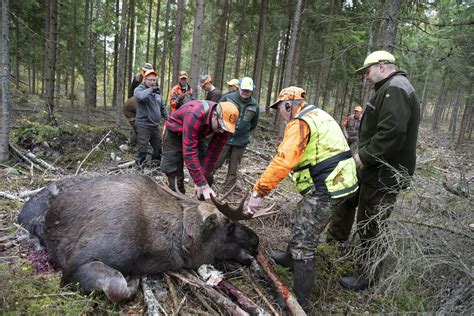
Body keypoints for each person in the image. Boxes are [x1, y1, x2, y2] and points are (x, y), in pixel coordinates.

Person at [246, 86, 359, 309]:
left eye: (280, 108)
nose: (280, 113)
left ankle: (298, 300)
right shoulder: (318, 113)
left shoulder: (300, 123)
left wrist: (258, 192)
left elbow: (283, 161)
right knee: (301, 214)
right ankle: (290, 258)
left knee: (305, 242)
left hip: (327, 185)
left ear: (289, 104)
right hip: (340, 180)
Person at [332, 50, 420, 291]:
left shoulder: (396, 88)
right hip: (375, 170)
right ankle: (335, 243)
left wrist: (364, 156)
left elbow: (392, 133)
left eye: (368, 70)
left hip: (384, 173)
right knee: (348, 202)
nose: (366, 76)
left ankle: (368, 276)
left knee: (372, 224)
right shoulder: (389, 88)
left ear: (382, 66)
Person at [160, 100, 239, 199]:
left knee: (207, 176)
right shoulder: (195, 114)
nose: (222, 131)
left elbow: (214, 153)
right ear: (215, 115)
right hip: (175, 134)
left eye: (226, 128)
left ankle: (201, 206)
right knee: (175, 176)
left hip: (196, 134)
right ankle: (178, 204)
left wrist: (202, 180)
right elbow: (189, 152)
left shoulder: (225, 127)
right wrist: (201, 182)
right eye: (221, 126)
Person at [213, 77, 259, 191]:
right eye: (243, 89)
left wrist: (243, 131)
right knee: (215, 161)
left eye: (247, 90)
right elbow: (216, 112)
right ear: (239, 88)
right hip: (224, 137)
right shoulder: (227, 98)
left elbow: (253, 124)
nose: (245, 92)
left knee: (233, 168)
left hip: (241, 141)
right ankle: (206, 182)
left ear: (251, 90)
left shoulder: (254, 105)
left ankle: (228, 189)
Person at [133, 69, 169, 167]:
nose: (153, 82)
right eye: (150, 80)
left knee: (158, 148)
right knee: (142, 149)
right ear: (145, 79)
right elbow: (140, 97)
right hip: (143, 126)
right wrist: (151, 90)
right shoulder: (138, 89)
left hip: (155, 126)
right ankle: (139, 170)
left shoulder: (157, 92)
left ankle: (154, 169)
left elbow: (163, 107)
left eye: (154, 80)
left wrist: (169, 119)